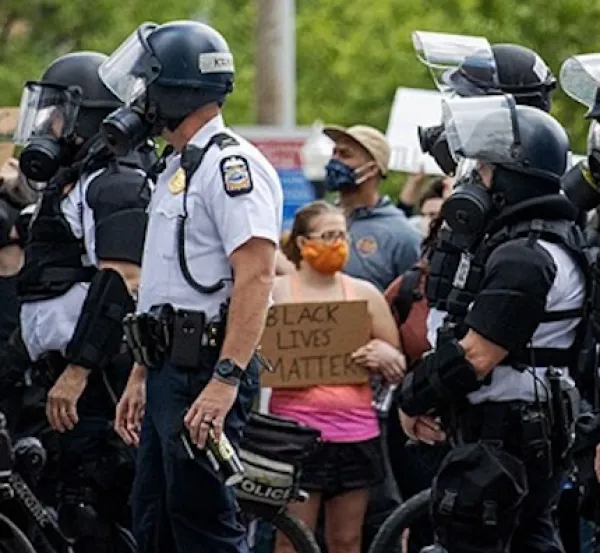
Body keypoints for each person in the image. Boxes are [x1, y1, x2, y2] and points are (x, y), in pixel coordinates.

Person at [104, 21, 283, 553]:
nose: (141, 97)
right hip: (167, 369)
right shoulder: (179, 167)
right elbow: (166, 288)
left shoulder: (232, 166)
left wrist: (225, 380)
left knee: (202, 525)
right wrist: (141, 372)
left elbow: (256, 276)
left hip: (206, 369)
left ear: (177, 86)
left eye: (148, 82)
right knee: (155, 521)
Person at [399, 95, 584, 553]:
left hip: (509, 440)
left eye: (483, 170)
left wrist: (412, 396)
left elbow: (476, 356)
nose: (474, 181)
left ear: (512, 176)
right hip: (519, 436)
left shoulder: (526, 255)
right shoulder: (536, 241)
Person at [12, 51, 154, 551]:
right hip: (56, 372)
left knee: (91, 510)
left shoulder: (115, 182)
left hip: (98, 379)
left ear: (88, 116)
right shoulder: (74, 181)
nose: (49, 124)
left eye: (60, 111)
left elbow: (122, 283)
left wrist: (78, 370)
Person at [270, 200, 405, 553]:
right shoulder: (277, 294)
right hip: (295, 434)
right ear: (302, 243)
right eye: (328, 235)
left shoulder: (365, 294)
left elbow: (397, 363)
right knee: (291, 540)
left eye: (343, 235)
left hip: (355, 432)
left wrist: (386, 355)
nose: (338, 244)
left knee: (346, 541)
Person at [323, 124, 421, 292]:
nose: (335, 161)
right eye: (334, 153)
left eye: (345, 154)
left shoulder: (402, 235)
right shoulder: (318, 219)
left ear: (372, 169)